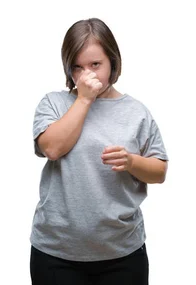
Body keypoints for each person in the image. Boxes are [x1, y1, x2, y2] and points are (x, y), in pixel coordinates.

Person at [30, 18, 168, 285]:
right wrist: (83, 98)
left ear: (112, 63)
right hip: (56, 253)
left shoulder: (136, 111)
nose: (87, 75)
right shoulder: (54, 103)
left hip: (123, 252)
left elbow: (159, 171)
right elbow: (52, 148)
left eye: (95, 65)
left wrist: (131, 161)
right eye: (78, 67)